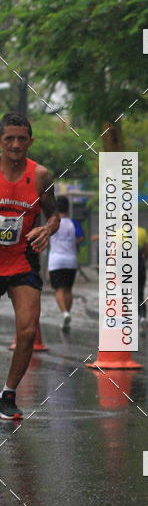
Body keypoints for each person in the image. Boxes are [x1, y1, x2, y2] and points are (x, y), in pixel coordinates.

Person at [0, 112, 59, 420]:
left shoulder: (40, 176)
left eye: (21, 138)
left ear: (30, 141)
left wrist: (47, 229)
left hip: (22, 260)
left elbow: (54, 216)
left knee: (26, 330)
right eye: (9, 137)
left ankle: (8, 394)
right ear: (1, 140)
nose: (15, 144)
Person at [48, 195, 84, 331]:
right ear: (68, 208)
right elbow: (81, 237)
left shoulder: (52, 222)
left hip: (55, 261)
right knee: (68, 289)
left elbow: (45, 235)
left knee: (59, 290)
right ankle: (66, 318)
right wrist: (71, 243)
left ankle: (64, 313)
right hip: (71, 261)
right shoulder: (74, 223)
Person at [137, 224, 148, 333]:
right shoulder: (142, 231)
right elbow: (147, 252)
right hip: (139, 265)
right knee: (140, 293)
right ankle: (142, 317)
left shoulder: (118, 233)